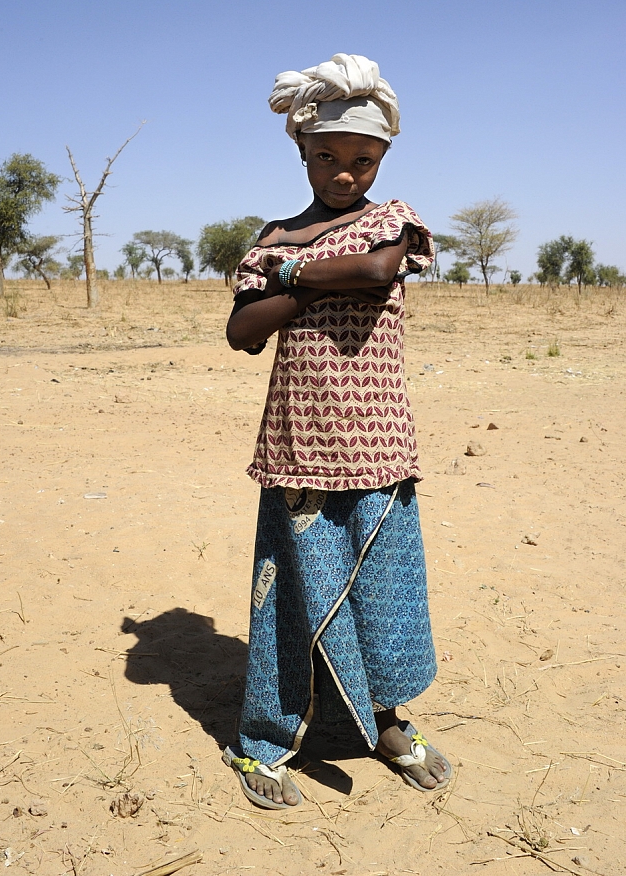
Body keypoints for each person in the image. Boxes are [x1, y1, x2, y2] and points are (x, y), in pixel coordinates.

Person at [223, 53, 451, 809]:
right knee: (289, 598)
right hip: (297, 447)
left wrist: (289, 275)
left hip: (381, 443)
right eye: (327, 156)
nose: (345, 173)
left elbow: (378, 271)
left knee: (382, 595)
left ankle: (385, 724)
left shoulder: (392, 220)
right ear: (302, 153)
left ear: (382, 159)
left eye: (362, 160)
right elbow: (242, 330)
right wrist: (304, 271)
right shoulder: (274, 234)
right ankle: (263, 740)